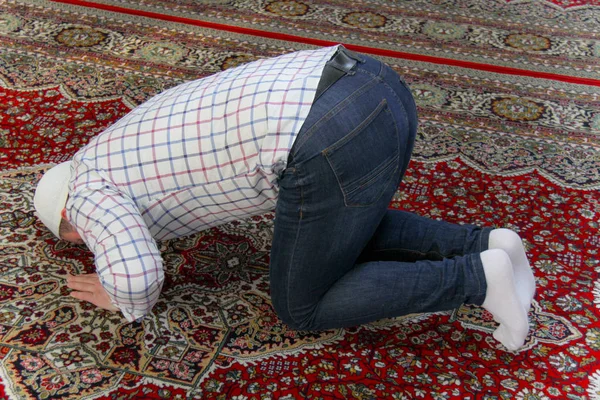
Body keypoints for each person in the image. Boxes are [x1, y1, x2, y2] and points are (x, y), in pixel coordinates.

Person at [34, 45, 535, 351]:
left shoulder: (82, 190)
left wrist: (118, 296)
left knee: (302, 306)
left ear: (65, 219)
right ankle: (491, 244)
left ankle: (476, 279)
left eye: (78, 239)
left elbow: (137, 274)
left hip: (326, 135)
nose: (87, 240)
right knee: (343, 225)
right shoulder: (116, 145)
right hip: (375, 85)